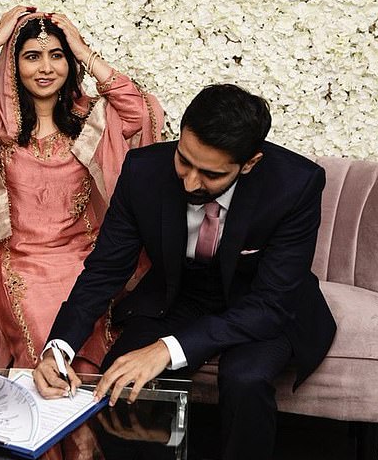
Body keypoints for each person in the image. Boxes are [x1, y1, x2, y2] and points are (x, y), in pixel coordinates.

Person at [33, 83, 337, 460]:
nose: (190, 182)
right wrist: (58, 349)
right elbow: (105, 269)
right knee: (121, 381)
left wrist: (167, 349)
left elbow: (272, 303)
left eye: (210, 174)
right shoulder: (143, 171)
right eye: (184, 160)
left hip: (259, 303)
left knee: (245, 379)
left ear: (250, 163)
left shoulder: (296, 185)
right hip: (178, 296)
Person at [0, 6, 164, 371]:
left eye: (57, 56)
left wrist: (84, 51)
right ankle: (73, 428)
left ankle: (83, 426)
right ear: (14, 65)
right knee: (48, 360)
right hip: (19, 266)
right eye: (32, 56)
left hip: (84, 263)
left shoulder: (89, 122)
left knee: (87, 364)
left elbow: (139, 111)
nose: (46, 68)